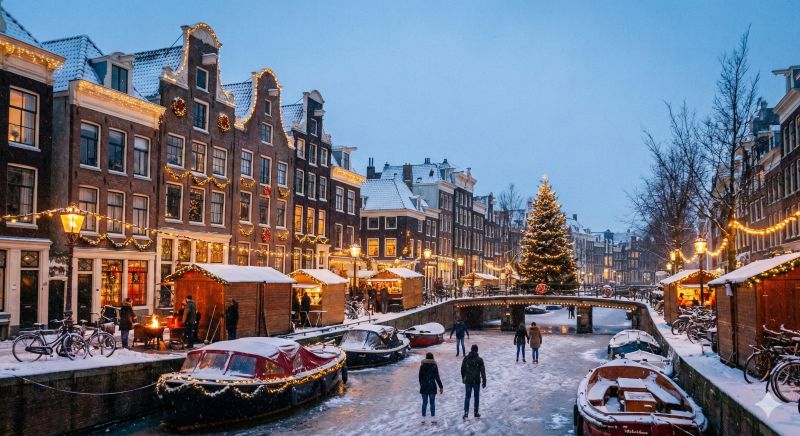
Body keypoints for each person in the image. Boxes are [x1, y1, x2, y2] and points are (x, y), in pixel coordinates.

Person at [461, 344, 486, 419]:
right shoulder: (479, 360)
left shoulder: (466, 358)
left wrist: (464, 378)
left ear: (471, 349)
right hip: (476, 381)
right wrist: (484, 380)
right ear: (477, 350)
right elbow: (483, 371)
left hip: (468, 381)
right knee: (476, 397)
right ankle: (476, 412)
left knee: (467, 397)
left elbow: (462, 369)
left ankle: (466, 413)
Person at [418, 352, 443, 425]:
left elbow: (420, 377)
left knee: (424, 403)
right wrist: (441, 387)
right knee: (432, 403)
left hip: (424, 386)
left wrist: (421, 384)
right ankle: (433, 418)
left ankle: (423, 418)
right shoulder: (434, 365)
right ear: (432, 358)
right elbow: (437, 377)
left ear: (426, 358)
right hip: (432, 386)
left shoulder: (422, 365)